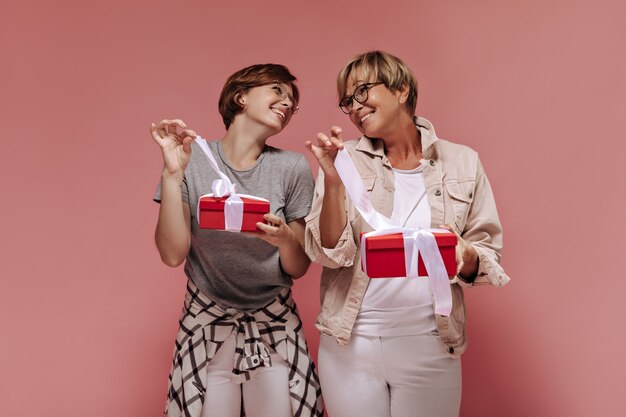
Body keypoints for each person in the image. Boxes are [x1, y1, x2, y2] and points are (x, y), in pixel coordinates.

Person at [304, 50, 510, 417]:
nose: (354, 107)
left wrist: (465, 255)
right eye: (347, 101)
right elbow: (328, 253)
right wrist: (334, 183)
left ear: (401, 90)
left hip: (430, 342)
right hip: (351, 343)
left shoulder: (463, 161)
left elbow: (486, 253)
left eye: (363, 91)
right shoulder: (343, 159)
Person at [150, 64, 323, 417]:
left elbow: (299, 266)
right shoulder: (191, 158)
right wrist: (172, 175)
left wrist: (285, 238)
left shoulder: (293, 167)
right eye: (277, 90)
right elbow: (172, 254)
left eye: (293, 100)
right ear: (240, 96)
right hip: (205, 317)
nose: (287, 102)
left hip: (274, 319)